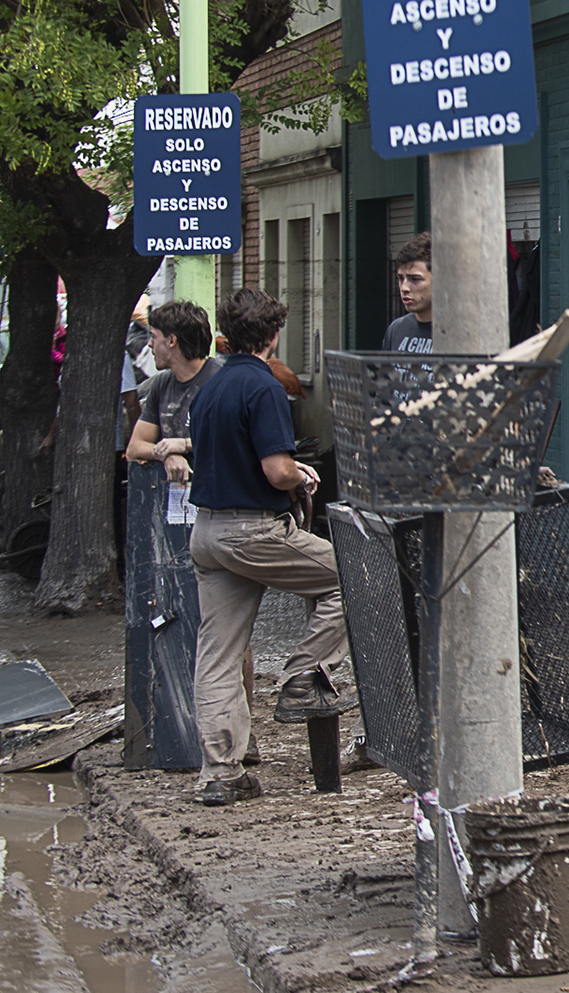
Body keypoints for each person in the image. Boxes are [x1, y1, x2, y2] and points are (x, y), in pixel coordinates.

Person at [187, 288, 354, 806]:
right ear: (274, 333)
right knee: (357, 576)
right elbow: (274, 469)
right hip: (252, 531)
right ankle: (303, 675)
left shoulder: (209, 386)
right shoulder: (262, 388)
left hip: (207, 533)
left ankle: (221, 774)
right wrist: (299, 475)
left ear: (225, 335)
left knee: (217, 654)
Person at [126, 301, 222, 482]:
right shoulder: (162, 383)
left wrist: (183, 446)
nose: (148, 344)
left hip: (216, 495)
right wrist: (166, 454)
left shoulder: (221, 381)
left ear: (171, 341)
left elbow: (232, 443)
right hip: (177, 500)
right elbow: (134, 448)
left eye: (153, 337)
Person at [383, 232, 433, 352]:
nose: (404, 288)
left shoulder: (456, 336)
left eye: (415, 279)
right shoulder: (397, 329)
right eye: (400, 278)